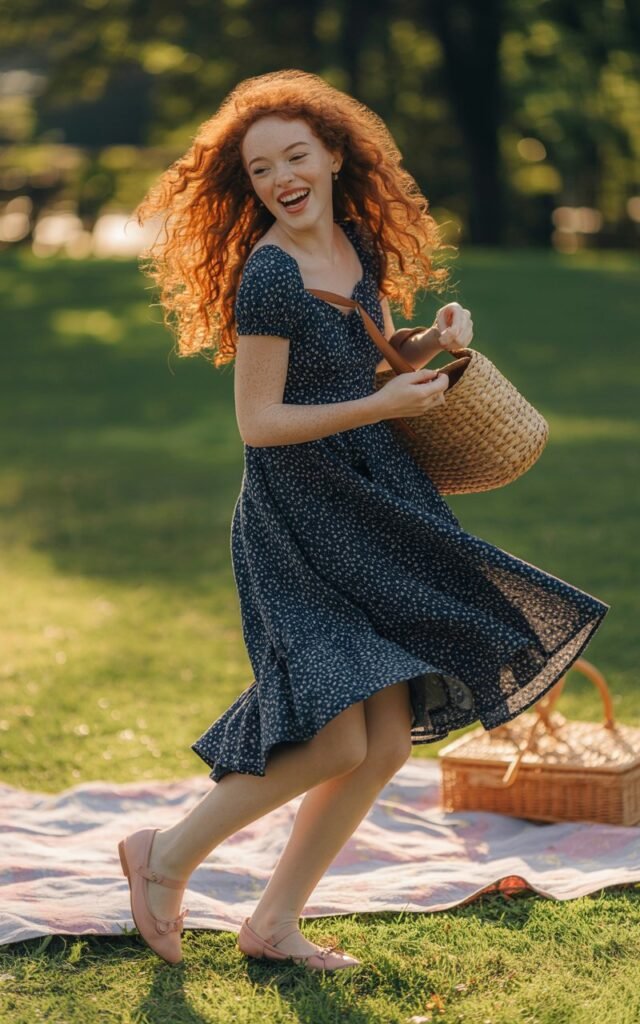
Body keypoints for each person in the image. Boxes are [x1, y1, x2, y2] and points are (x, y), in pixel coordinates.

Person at [117, 69, 609, 970]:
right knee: (338, 733)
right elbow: (258, 425)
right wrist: (383, 411)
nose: (280, 178)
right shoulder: (268, 278)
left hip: (376, 508)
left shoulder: (351, 243)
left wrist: (432, 342)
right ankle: (165, 855)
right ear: (251, 184)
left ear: (336, 155)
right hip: (300, 522)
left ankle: (272, 924)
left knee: (381, 744)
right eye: (261, 168)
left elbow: (368, 361)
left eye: (296, 156)